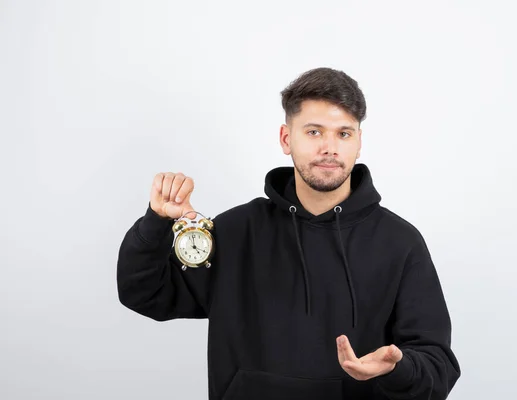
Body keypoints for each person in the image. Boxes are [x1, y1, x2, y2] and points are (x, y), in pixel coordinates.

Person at [116, 67, 461, 400]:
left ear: (358, 142)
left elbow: (437, 367)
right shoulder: (236, 231)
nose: (330, 147)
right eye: (314, 132)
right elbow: (146, 294)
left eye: (344, 133)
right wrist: (157, 222)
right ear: (286, 138)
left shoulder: (400, 243)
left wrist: (398, 369)